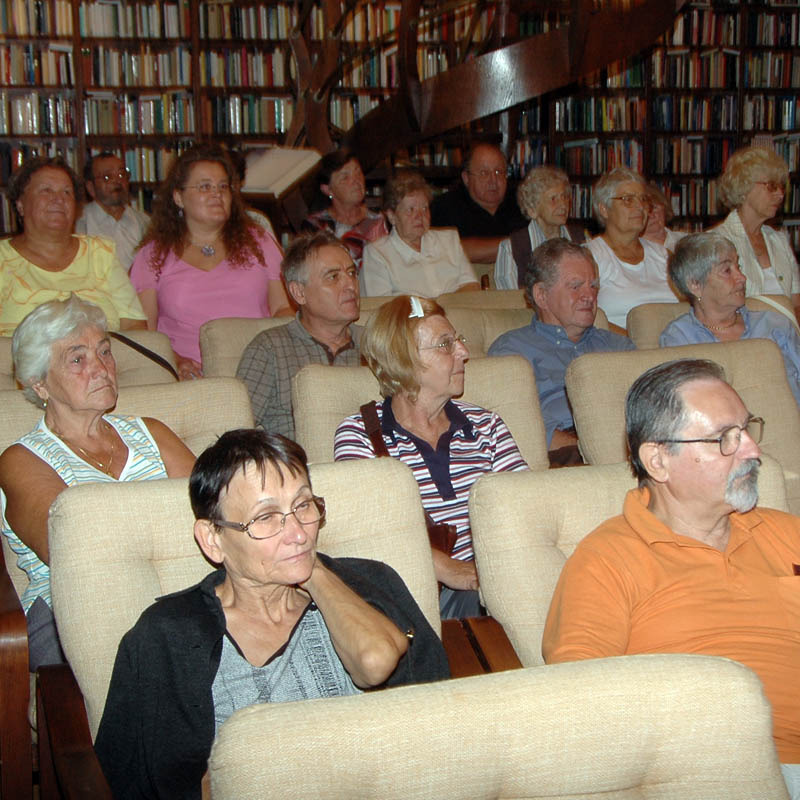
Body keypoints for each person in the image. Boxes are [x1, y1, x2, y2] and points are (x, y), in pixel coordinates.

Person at [94, 428, 449, 800]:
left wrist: (314, 573)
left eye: (304, 505)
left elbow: (389, 676)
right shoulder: (166, 636)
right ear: (213, 539)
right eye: (265, 517)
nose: (298, 533)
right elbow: (136, 780)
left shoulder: (372, 584)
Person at [542, 359, 800, 797]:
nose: (753, 450)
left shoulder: (786, 533)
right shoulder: (607, 559)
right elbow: (580, 698)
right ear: (658, 461)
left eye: (746, 429)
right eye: (725, 438)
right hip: (716, 770)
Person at [0, 296, 195, 671]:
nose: (101, 368)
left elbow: (213, 512)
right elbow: (73, 549)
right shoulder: (20, 461)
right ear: (39, 383)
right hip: (75, 611)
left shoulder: (152, 433)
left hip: (181, 591)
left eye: (105, 352)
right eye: (77, 359)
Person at [334, 295, 528, 619]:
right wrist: (451, 570)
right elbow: (366, 532)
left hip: (497, 582)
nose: (464, 352)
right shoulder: (360, 435)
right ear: (404, 359)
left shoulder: (486, 425)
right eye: (445, 344)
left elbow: (528, 509)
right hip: (412, 596)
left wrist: (495, 572)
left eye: (459, 340)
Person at [129, 143, 292, 381]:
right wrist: (174, 361)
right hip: (188, 378)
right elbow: (143, 331)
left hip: (258, 369)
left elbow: (284, 309)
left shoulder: (260, 241)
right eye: (205, 186)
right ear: (178, 197)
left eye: (223, 186)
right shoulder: (153, 255)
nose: (217, 194)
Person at [489, 239, 634, 464]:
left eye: (593, 286)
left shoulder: (620, 347)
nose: (589, 295)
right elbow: (520, 429)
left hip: (628, 447)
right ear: (541, 295)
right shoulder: (512, 352)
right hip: (564, 457)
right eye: (576, 286)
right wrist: (590, 449)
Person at [237, 231, 364, 440]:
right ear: (299, 293)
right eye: (333, 277)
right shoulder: (270, 349)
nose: (351, 285)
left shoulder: (376, 345)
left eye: (352, 273)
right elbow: (236, 434)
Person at [0, 156, 147, 337]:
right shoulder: (2, 259)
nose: (58, 199)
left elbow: (135, 326)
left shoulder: (101, 253)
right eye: (46, 190)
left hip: (105, 354)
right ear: (20, 204)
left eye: (67, 192)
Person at [661, 232, 800, 407]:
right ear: (695, 284)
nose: (742, 278)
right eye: (727, 271)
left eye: (738, 267)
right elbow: (682, 407)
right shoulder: (679, 338)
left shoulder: (774, 324)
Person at [585, 166, 679, 330]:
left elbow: (691, 305)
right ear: (604, 209)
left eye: (643, 199)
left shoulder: (664, 255)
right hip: (620, 343)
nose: (640, 206)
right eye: (628, 199)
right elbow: (583, 316)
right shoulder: (589, 257)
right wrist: (636, 341)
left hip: (675, 341)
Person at [714, 146, 800, 322]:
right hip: (745, 334)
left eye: (782, 187)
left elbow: (796, 305)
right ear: (744, 187)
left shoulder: (780, 240)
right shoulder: (717, 241)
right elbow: (718, 309)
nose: (780, 195)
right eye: (771, 186)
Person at [361, 170, 480, 297]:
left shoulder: (449, 240)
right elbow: (383, 306)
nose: (420, 216)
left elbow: (472, 286)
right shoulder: (377, 255)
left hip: (460, 309)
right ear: (392, 216)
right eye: (411, 210)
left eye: (424, 208)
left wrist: (445, 304)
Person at [430, 142, 527, 263]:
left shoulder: (523, 203)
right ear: (466, 178)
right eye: (484, 173)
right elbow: (445, 250)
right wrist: (518, 245)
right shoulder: (445, 206)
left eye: (498, 172)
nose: (493, 180)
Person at [494, 165, 583, 290]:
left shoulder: (582, 240)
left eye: (564, 197)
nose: (563, 204)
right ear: (532, 209)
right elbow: (510, 298)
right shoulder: (511, 248)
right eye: (553, 199)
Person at [303, 148, 388, 269]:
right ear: (328, 189)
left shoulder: (380, 221)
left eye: (358, 173)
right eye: (345, 177)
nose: (356, 181)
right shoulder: (315, 227)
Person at [74, 151, 150, 272]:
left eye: (121, 175)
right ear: (90, 187)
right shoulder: (79, 224)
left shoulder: (144, 222)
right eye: (107, 177)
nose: (117, 181)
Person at [641, 182, 685, 253]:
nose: (652, 216)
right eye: (646, 211)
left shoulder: (685, 241)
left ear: (665, 209)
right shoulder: (630, 250)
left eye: (655, 208)